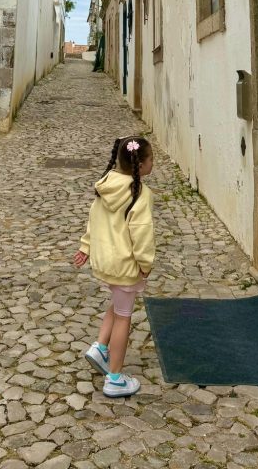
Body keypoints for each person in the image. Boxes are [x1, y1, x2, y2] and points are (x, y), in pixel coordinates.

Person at [73, 135, 155, 397]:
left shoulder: (106, 184)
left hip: (106, 262)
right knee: (124, 317)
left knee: (118, 304)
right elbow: (141, 232)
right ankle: (116, 378)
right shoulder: (139, 193)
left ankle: (100, 347)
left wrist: (86, 246)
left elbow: (94, 219)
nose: (153, 163)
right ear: (141, 165)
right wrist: (145, 263)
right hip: (125, 263)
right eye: (152, 159)